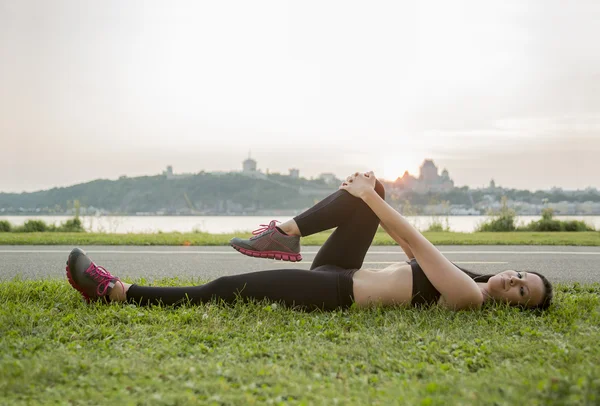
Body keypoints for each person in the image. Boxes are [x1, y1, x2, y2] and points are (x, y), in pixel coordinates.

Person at [66, 171, 553, 311]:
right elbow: (410, 253)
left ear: (516, 306)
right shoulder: (468, 280)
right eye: (520, 275)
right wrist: (370, 196)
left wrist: (369, 197)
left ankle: (116, 292)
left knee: (224, 287)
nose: (513, 280)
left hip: (337, 293)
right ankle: (287, 234)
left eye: (522, 292)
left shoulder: (469, 296)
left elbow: (413, 238)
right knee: (375, 191)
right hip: (342, 268)